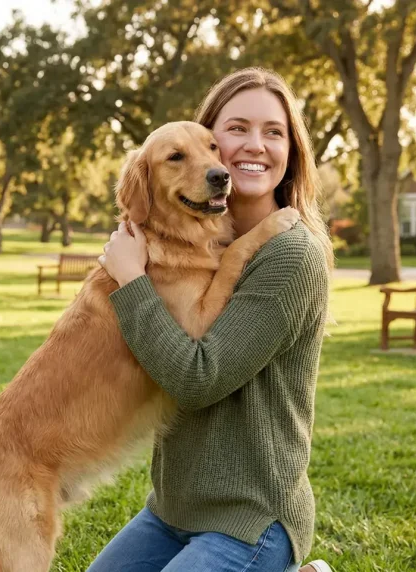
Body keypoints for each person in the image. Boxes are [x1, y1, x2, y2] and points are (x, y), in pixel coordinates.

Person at [90, 67, 334, 572]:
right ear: (209, 139)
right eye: (237, 129)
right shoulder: (190, 246)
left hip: (251, 521)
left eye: (274, 132)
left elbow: (196, 380)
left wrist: (133, 283)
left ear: (290, 152)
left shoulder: (292, 255)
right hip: (171, 510)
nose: (255, 145)